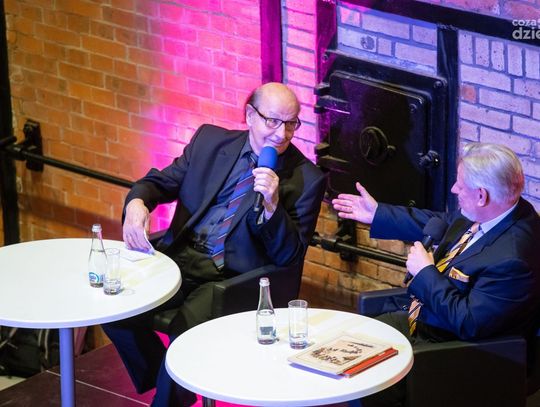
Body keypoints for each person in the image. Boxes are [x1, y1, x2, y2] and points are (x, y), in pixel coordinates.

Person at [103, 82, 326, 407]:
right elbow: (160, 182)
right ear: (250, 115)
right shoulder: (209, 142)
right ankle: (171, 379)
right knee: (115, 308)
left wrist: (272, 207)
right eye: (273, 121)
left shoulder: (307, 178)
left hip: (233, 279)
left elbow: (290, 257)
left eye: (291, 123)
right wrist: (138, 203)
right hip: (179, 260)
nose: (282, 134)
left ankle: (168, 397)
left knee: (185, 331)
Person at [332, 142, 540, 406]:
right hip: (425, 321)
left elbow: (468, 322)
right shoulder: (499, 209)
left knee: (363, 377)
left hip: (456, 355)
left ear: (481, 195)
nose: (453, 189)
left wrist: (425, 273)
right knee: (349, 345)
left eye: (460, 185)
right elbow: (440, 222)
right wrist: (378, 214)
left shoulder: (513, 260)